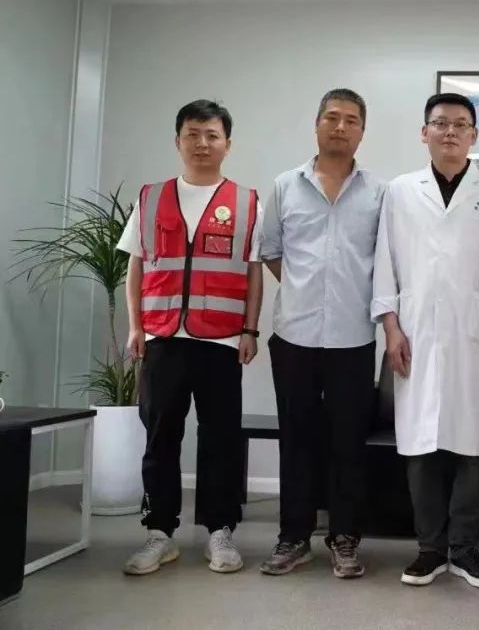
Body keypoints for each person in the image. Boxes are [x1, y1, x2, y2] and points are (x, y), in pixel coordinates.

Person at [372, 92, 479, 589]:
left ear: (474, 135)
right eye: (440, 123)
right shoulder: (399, 190)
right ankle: (430, 550)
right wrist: (391, 326)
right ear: (425, 133)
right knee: (420, 443)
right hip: (413, 330)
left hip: (476, 333)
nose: (450, 131)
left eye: (461, 124)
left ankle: (466, 549)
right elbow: (385, 261)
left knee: (474, 444)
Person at [119, 99, 263, 575]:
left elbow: (254, 271)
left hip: (222, 339)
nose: (202, 143)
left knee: (221, 436)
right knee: (160, 435)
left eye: (212, 135)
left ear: (227, 144)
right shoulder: (151, 198)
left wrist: (250, 329)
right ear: (178, 140)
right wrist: (136, 326)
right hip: (162, 336)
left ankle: (220, 531)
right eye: (193, 134)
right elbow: (136, 266)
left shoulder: (247, 202)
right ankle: (159, 532)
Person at [258, 89, 384, 579]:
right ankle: (293, 536)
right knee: (297, 438)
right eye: (331, 117)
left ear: (361, 132)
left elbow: (385, 259)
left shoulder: (378, 193)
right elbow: (271, 250)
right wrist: (304, 290)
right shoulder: (285, 186)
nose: (340, 127)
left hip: (354, 336)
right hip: (295, 334)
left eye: (351, 120)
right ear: (316, 125)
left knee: (348, 442)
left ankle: (345, 537)